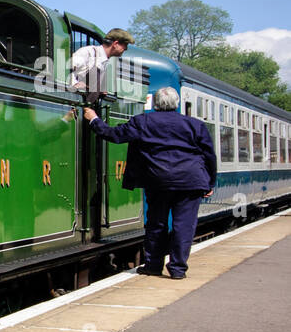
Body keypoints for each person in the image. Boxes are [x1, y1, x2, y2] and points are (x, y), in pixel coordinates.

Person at [82, 87, 216, 279]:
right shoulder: (195, 125)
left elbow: (114, 135)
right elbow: (209, 155)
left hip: (157, 180)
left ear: (155, 104)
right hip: (190, 181)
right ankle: (178, 269)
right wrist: (210, 182)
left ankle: (153, 266)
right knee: (184, 226)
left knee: (156, 224)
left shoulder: (142, 122)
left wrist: (94, 119)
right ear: (177, 104)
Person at [69, 28, 133, 93]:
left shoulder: (105, 62)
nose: (126, 49)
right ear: (115, 44)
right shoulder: (88, 52)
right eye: (125, 45)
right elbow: (65, 70)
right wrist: (75, 84)